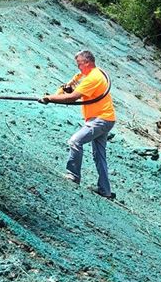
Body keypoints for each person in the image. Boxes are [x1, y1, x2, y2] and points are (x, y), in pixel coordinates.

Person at [40, 50, 116, 199]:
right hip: (106, 118)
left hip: (101, 119)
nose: (78, 68)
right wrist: (65, 88)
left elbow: (73, 98)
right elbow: (70, 93)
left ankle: (73, 175)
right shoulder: (92, 74)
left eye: (79, 64)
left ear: (87, 62)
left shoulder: (93, 78)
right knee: (99, 155)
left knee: (75, 141)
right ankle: (105, 190)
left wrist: (49, 98)